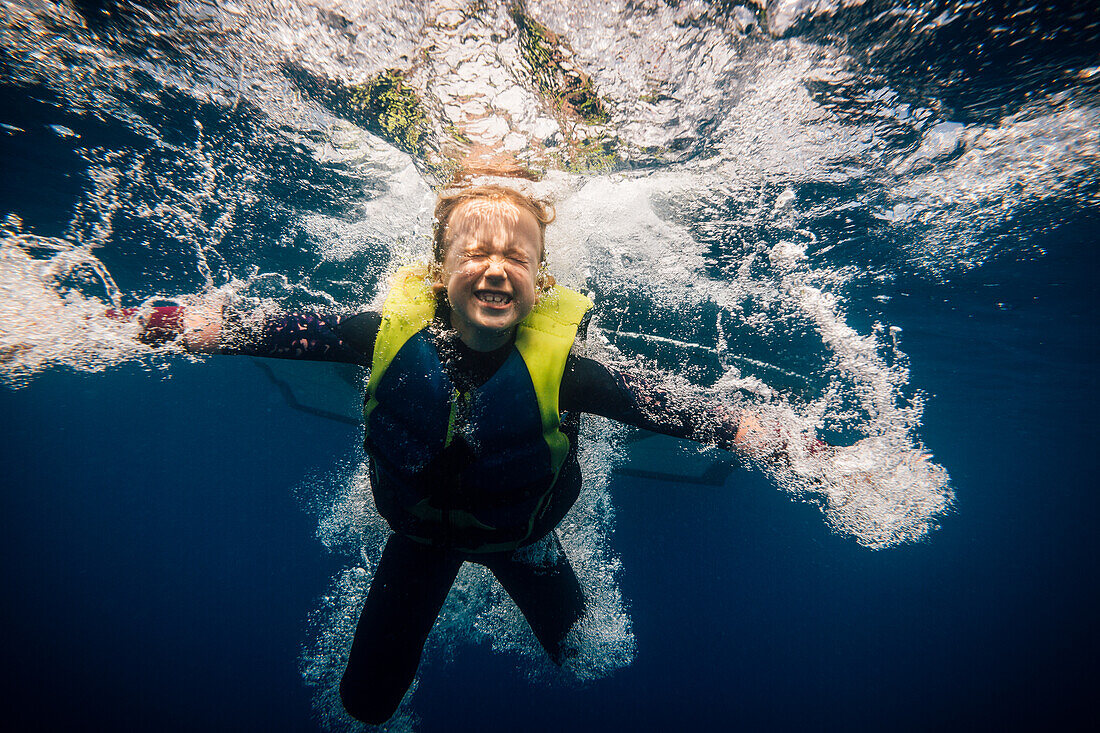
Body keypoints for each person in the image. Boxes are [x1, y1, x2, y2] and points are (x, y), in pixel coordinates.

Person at [129, 183, 805, 724]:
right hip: (419, 538)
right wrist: (174, 326)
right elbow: (279, 330)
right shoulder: (387, 334)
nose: (495, 268)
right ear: (438, 271)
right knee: (366, 705)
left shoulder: (569, 370)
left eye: (516, 258)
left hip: (523, 538)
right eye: (476, 252)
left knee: (581, 652)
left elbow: (680, 410)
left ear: (539, 280)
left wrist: (790, 447)